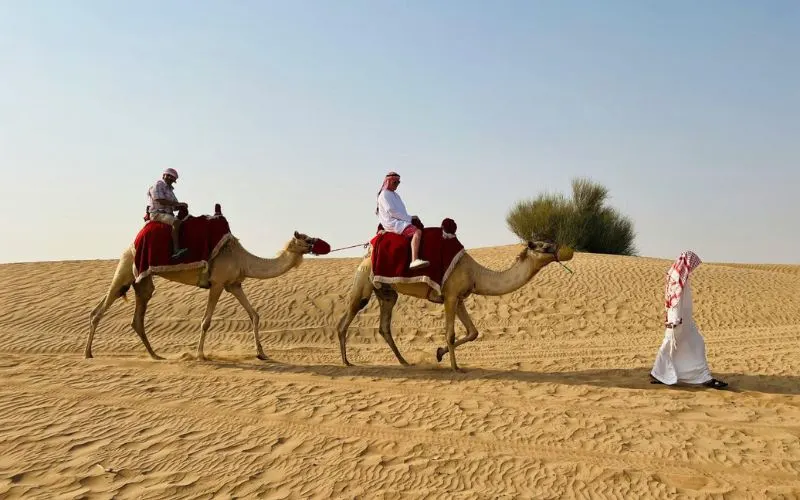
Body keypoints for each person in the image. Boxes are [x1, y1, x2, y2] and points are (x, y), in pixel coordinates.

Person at [650, 250, 728, 389]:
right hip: (678, 321)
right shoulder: (677, 277)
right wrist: (674, 320)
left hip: (683, 321)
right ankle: (701, 376)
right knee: (694, 345)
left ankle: (661, 373)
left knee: (676, 346)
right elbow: (674, 301)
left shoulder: (678, 275)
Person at [375, 171, 429, 270]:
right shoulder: (384, 195)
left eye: (398, 182)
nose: (397, 185)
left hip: (400, 221)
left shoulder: (395, 195)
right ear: (388, 182)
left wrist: (410, 218)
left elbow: (400, 212)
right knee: (417, 232)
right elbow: (392, 212)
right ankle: (414, 260)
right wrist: (410, 218)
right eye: (395, 182)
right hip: (393, 223)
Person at [147, 168, 188, 259]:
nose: (170, 178)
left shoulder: (170, 191)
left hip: (168, 214)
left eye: (172, 177)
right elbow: (159, 200)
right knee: (176, 222)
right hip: (157, 213)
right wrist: (177, 204)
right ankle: (176, 250)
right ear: (164, 176)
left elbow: (174, 206)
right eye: (168, 175)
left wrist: (182, 206)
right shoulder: (157, 185)